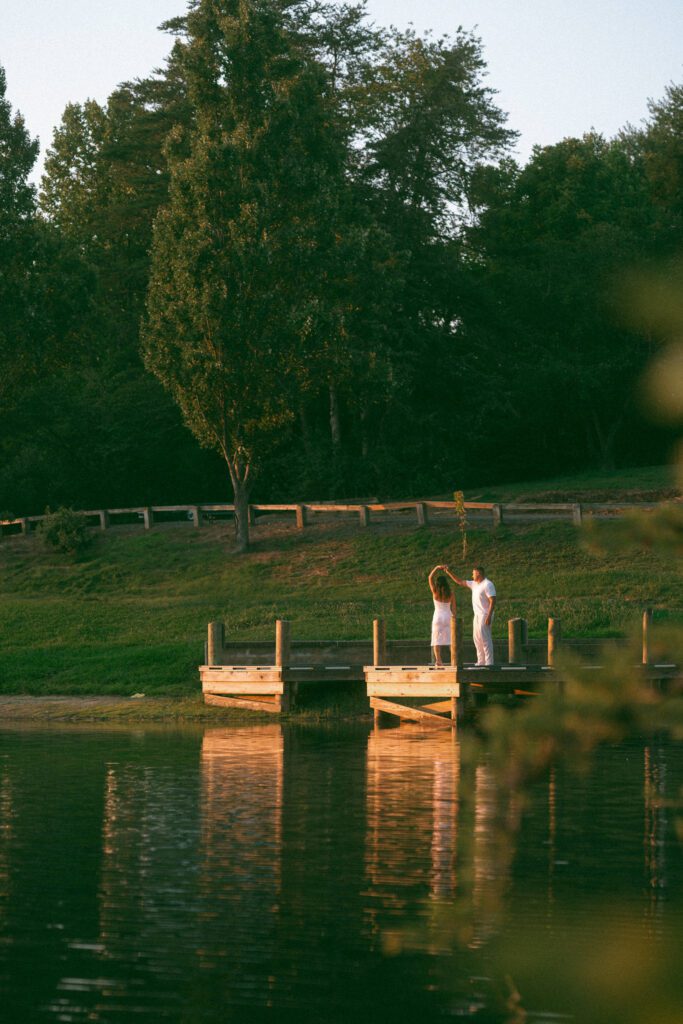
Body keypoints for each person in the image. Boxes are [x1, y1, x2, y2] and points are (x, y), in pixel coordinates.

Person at [442, 565, 496, 666]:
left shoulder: (488, 584)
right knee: (477, 639)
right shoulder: (474, 584)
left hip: (485, 614)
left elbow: (493, 600)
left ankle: (489, 663)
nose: (472, 575)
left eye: (473, 573)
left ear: (479, 573)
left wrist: (489, 616)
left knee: (485, 638)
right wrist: (448, 572)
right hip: (477, 615)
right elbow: (459, 581)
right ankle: (481, 662)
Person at [428, 565, 455, 666]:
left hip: (438, 617)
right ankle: (454, 660)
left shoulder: (435, 592)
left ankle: (438, 661)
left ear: (437, 584)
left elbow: (430, 577)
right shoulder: (450, 593)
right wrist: (454, 618)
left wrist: (437, 567)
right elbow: (454, 608)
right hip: (448, 616)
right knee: (451, 639)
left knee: (436, 640)